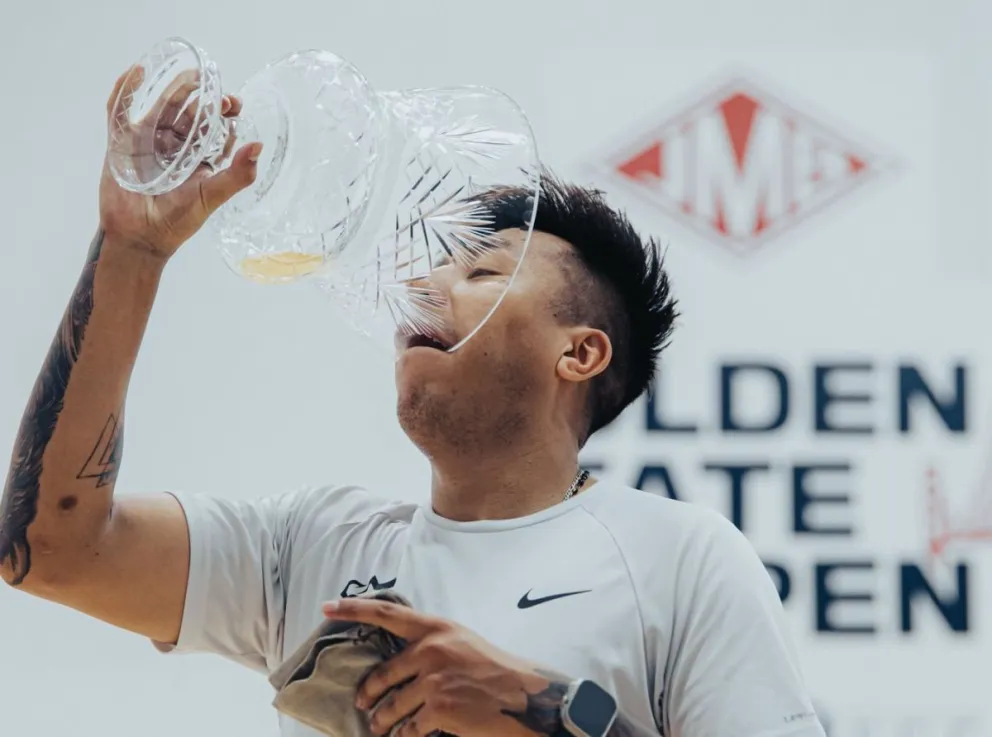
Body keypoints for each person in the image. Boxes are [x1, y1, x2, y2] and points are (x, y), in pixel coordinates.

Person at [0, 67, 825, 737]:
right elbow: (52, 545)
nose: (421, 290)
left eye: (480, 272)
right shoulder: (308, 545)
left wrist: (543, 710)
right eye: (429, 268)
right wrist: (134, 249)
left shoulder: (680, 559)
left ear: (579, 352)